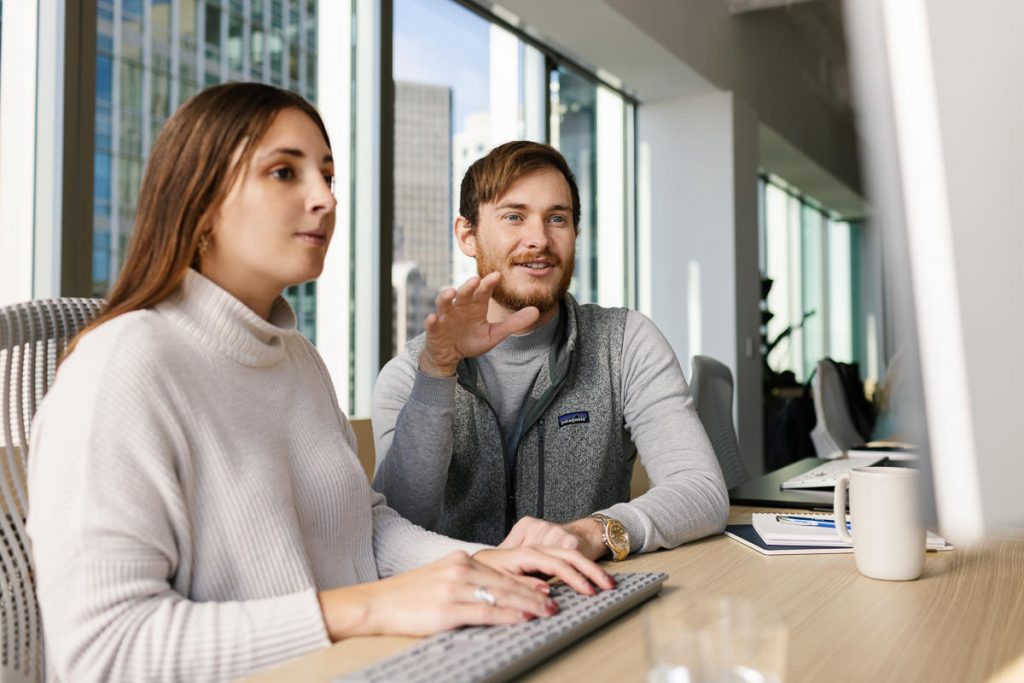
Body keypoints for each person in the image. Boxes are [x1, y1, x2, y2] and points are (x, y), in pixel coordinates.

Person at [26, 84, 612, 682]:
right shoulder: (118, 367)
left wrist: (495, 563)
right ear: (198, 202)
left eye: (327, 175)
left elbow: (363, 531)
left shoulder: (298, 359)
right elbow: (103, 652)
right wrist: (371, 607)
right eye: (285, 172)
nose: (325, 199)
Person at [372, 141, 729, 562]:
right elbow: (396, 523)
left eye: (557, 218)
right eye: (514, 217)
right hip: (464, 604)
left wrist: (590, 533)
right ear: (467, 235)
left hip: (588, 594)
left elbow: (700, 488)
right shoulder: (409, 373)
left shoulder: (626, 342)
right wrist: (437, 373)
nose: (538, 239)